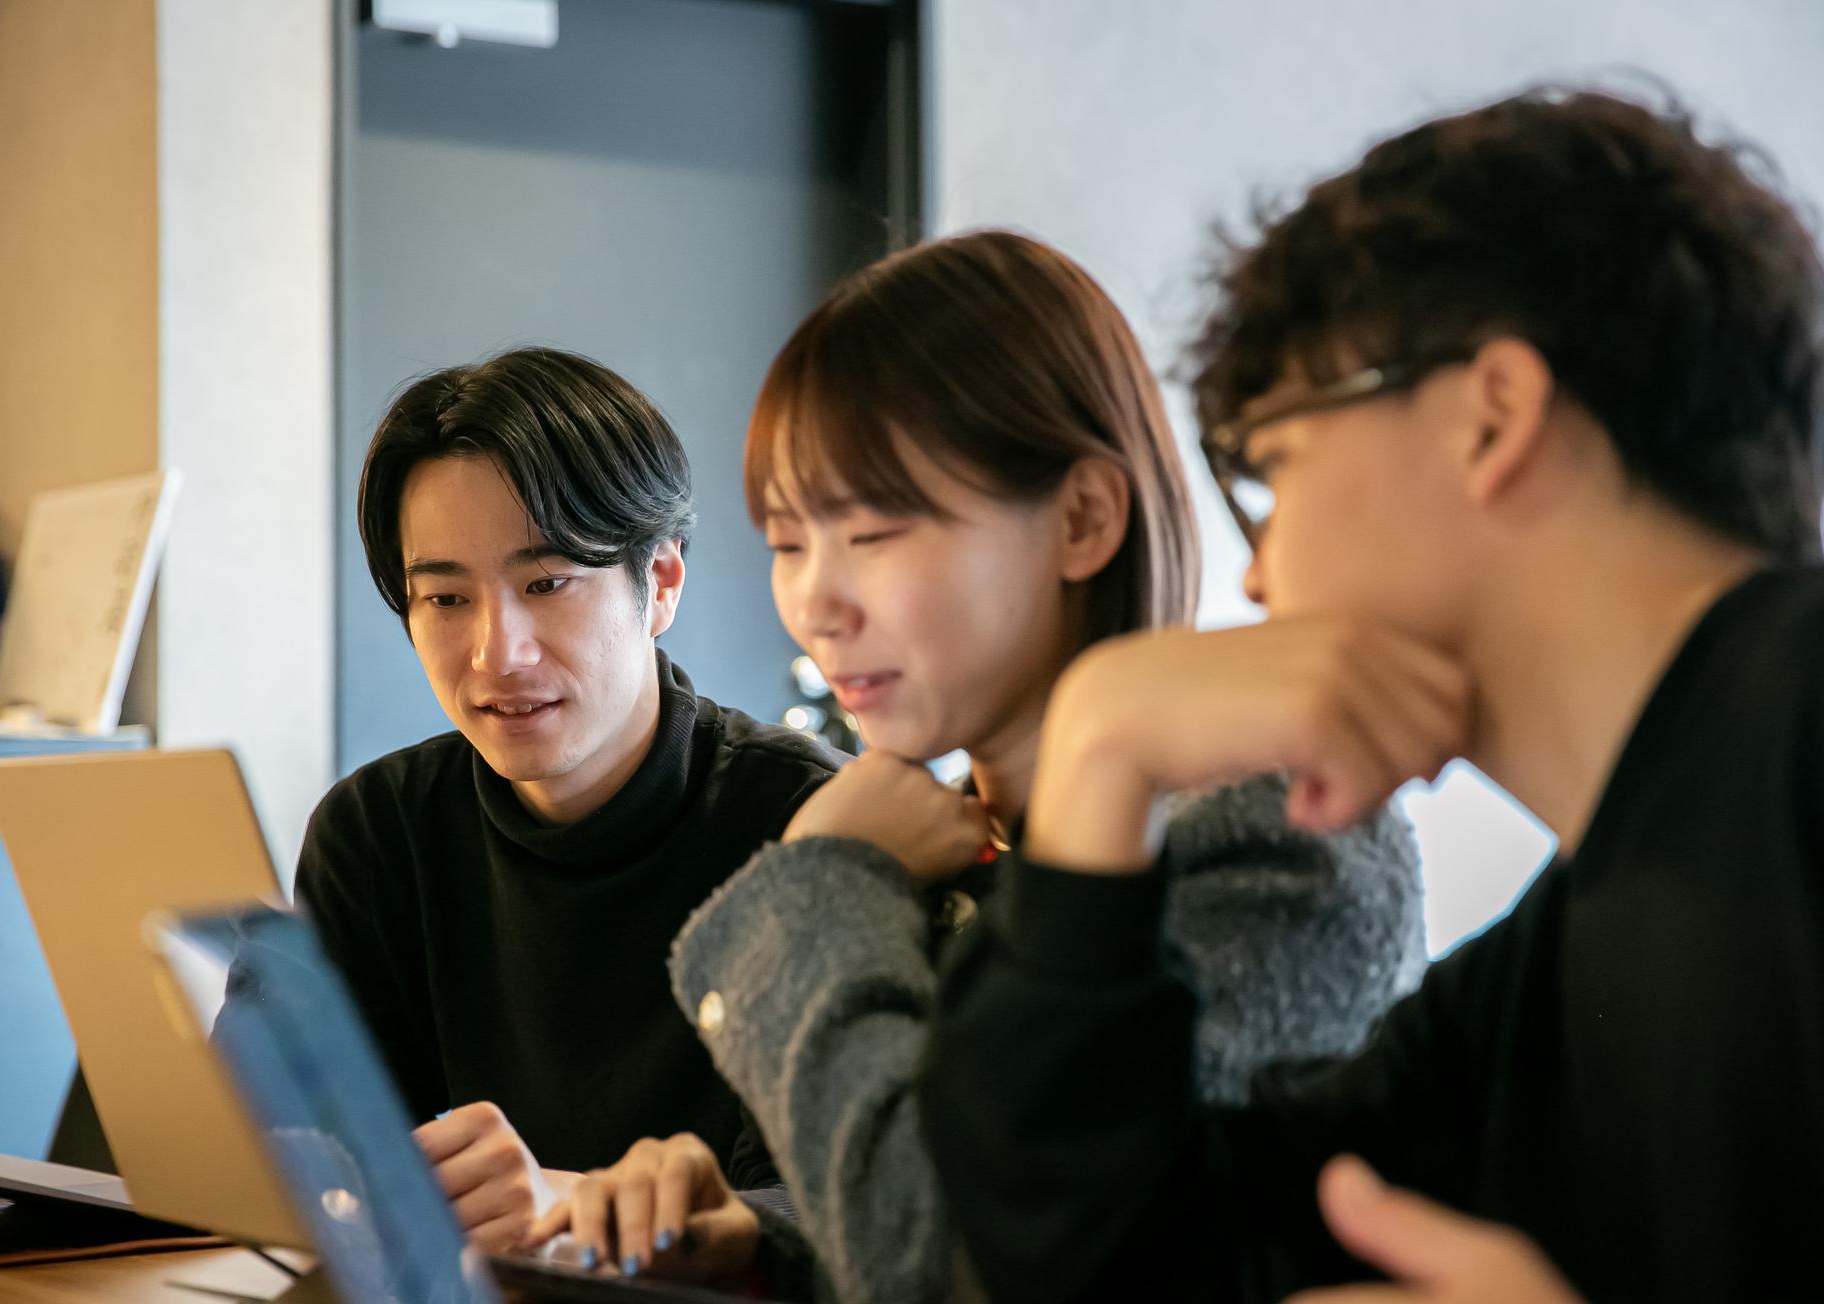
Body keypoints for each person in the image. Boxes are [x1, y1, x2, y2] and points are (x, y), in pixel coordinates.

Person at [917, 88, 1824, 1301]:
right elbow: (1099, 1264)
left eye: (1273, 464)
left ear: (1492, 417)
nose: (1259, 573)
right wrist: (1098, 748)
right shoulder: (1532, 982)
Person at [534, 231, 1427, 1298]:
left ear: (1083, 519)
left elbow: (979, 1267)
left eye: (872, 532)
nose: (816, 603)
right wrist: (766, 1244)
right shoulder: (949, 842)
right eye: (788, 542)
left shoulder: (1277, 837)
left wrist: (820, 881)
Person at [295, 347, 842, 1255]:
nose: (496, 654)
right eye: (445, 598)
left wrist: (561, 1204)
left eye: (546, 584)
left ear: (659, 583)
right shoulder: (378, 832)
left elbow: (836, 1218)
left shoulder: (809, 823)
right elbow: (285, 1145)